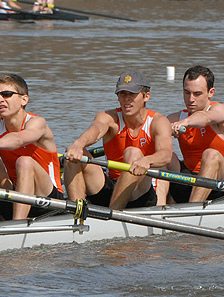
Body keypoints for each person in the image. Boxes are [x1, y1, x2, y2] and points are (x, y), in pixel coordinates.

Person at [64, 71, 173, 209]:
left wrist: (146, 160)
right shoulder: (109, 117)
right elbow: (95, 130)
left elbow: (166, 154)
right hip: (110, 187)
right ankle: (77, 212)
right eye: (122, 94)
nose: (126, 99)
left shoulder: (158, 121)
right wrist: (79, 144)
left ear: (146, 97)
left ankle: (112, 213)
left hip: (139, 191)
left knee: (132, 153)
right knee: (72, 153)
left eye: (132, 94)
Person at [0, 74, 64, 222]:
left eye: (6, 94)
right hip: (17, 192)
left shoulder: (37, 123)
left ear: (24, 99)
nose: (0, 99)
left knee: (24, 161)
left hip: (48, 199)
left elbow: (19, 139)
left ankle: (17, 224)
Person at [164, 65, 224, 202]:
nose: (191, 99)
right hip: (190, 182)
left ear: (211, 92)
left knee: (211, 154)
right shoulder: (175, 118)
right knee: (164, 155)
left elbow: (206, 118)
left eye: (197, 94)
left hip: (222, 187)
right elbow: (154, 131)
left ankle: (192, 209)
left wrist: (185, 123)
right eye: (186, 93)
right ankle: (158, 207)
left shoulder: (221, 110)